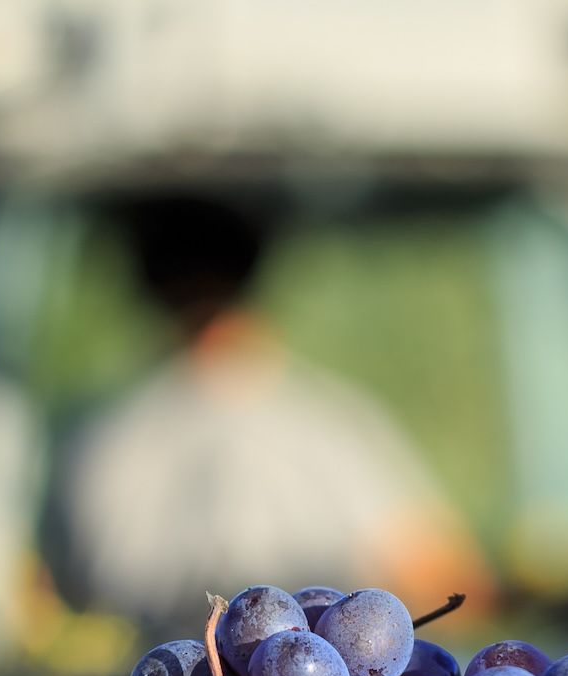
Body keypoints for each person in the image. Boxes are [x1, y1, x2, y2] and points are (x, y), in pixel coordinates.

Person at [54, 195, 486, 635]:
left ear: (144, 283)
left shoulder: (91, 439)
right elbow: (446, 582)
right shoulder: (335, 425)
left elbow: (45, 608)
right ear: (255, 275)